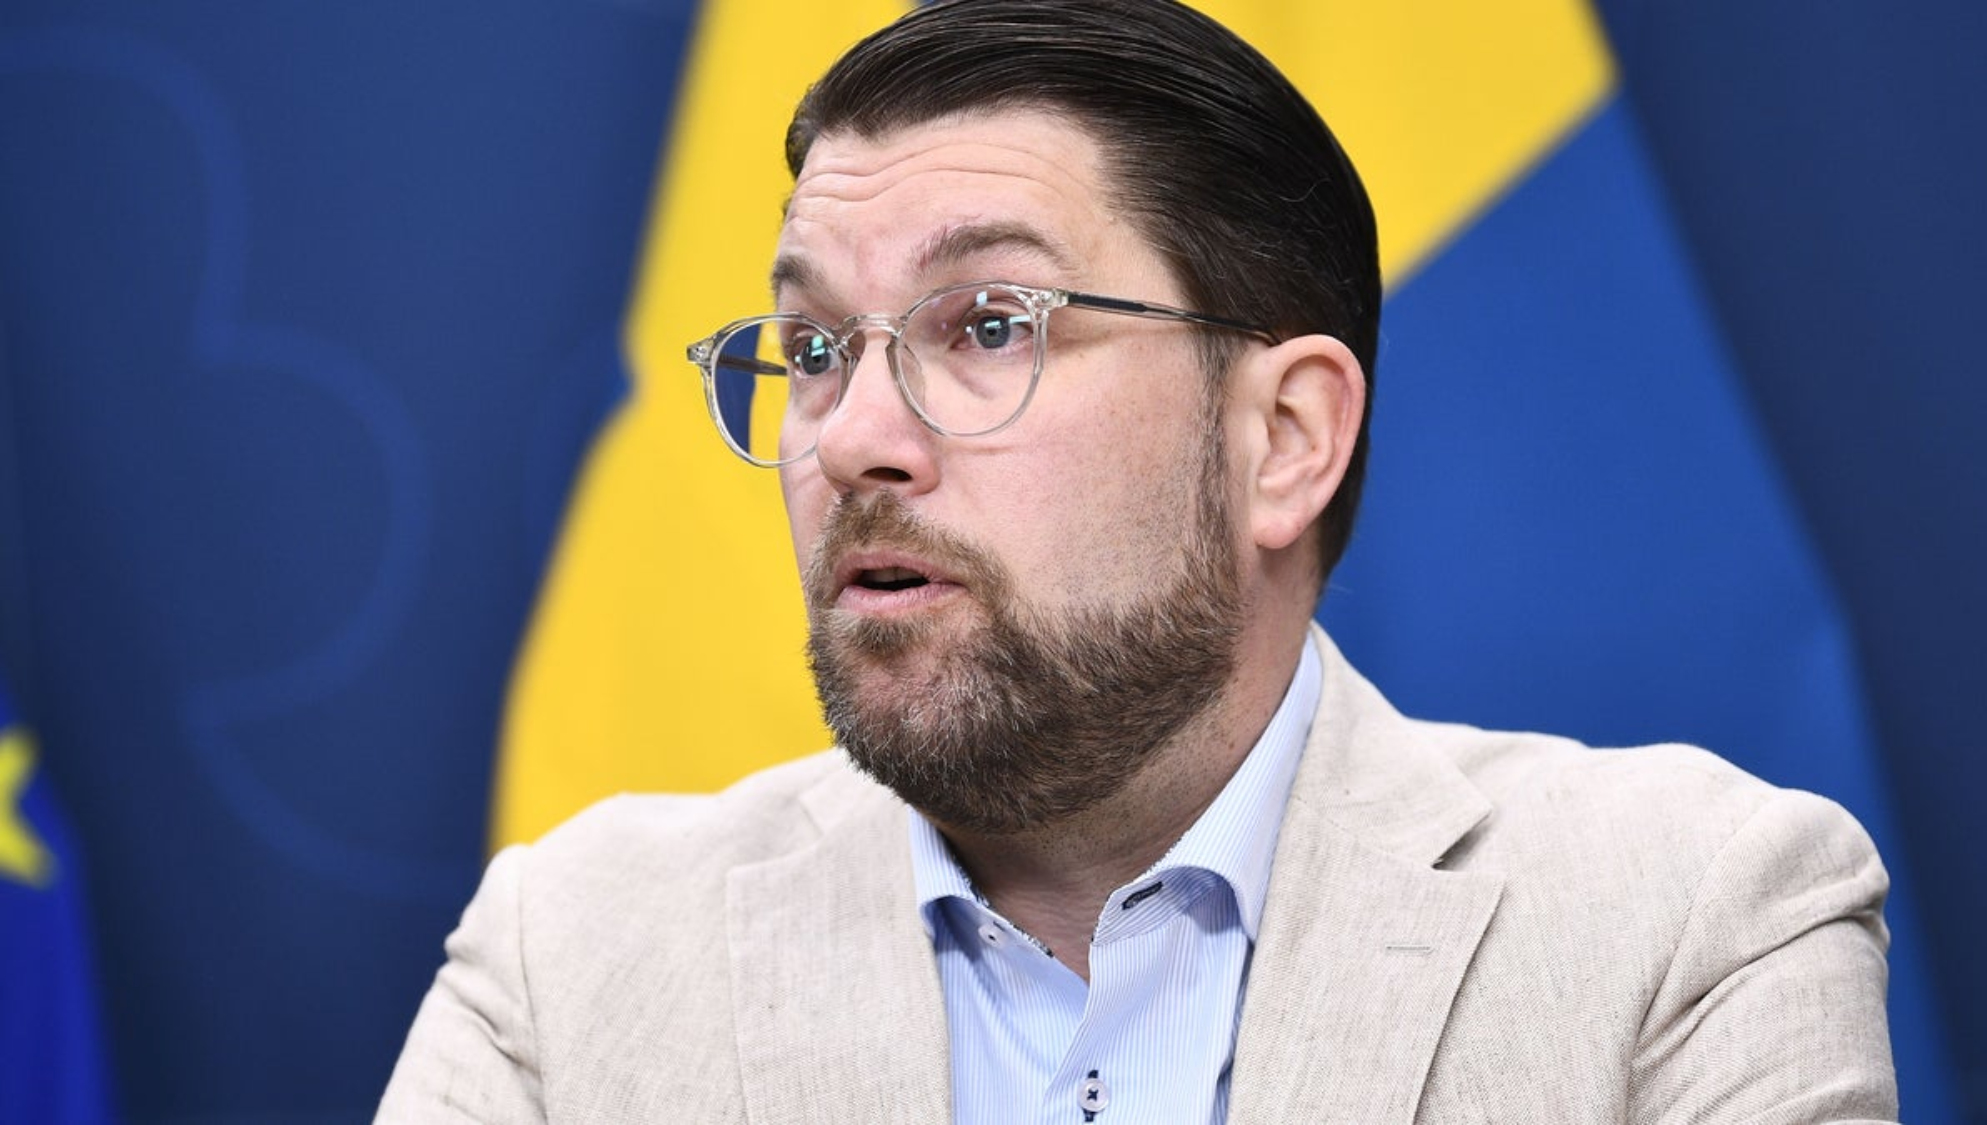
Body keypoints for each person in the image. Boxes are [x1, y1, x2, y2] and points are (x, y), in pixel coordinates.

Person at [379, 0, 1897, 1120]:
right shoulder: (574, 958)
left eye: (990, 325)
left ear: (1284, 437)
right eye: (816, 347)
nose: (852, 438)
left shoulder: (1689, 922)